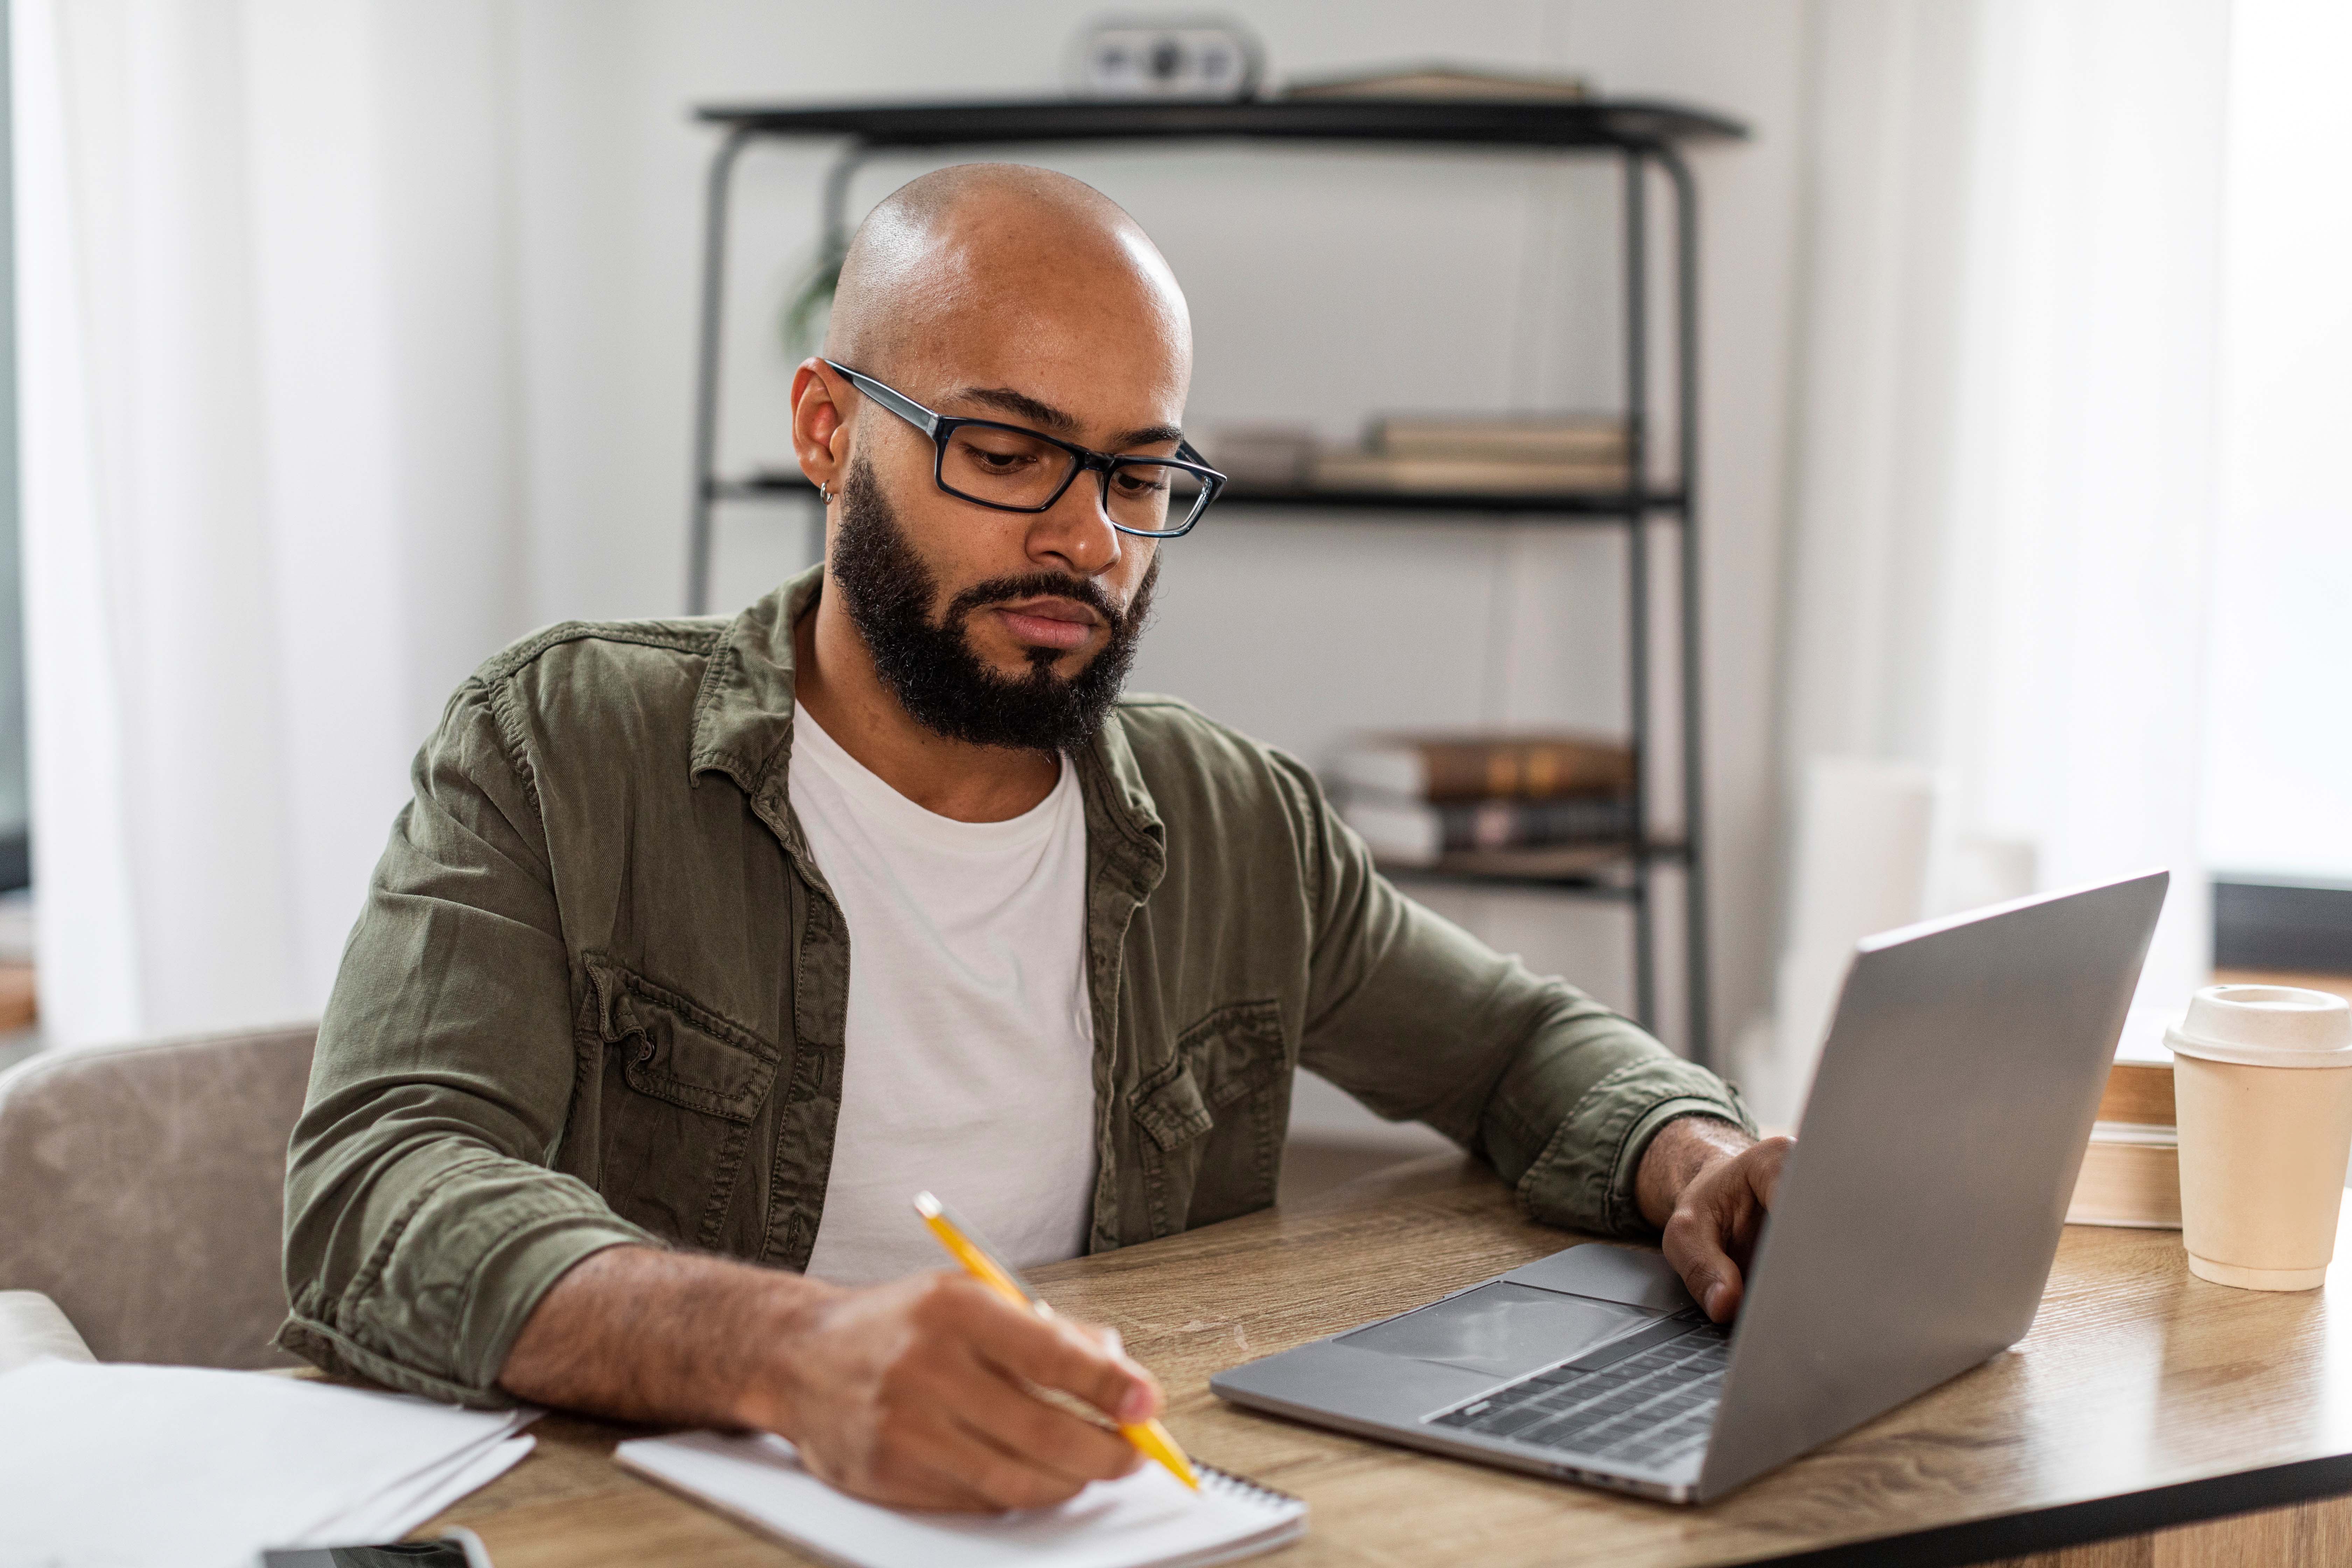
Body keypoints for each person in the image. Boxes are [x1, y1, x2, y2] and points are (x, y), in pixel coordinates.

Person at [280, 163, 1788, 1513]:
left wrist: (1695, 1153)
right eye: (1006, 452)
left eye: (1138, 475)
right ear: (827, 428)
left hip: (1079, 1517)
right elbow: (382, 1184)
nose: (1089, 541)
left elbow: (1522, 1048)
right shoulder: (567, 744)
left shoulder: (1232, 821)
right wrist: (795, 1351)